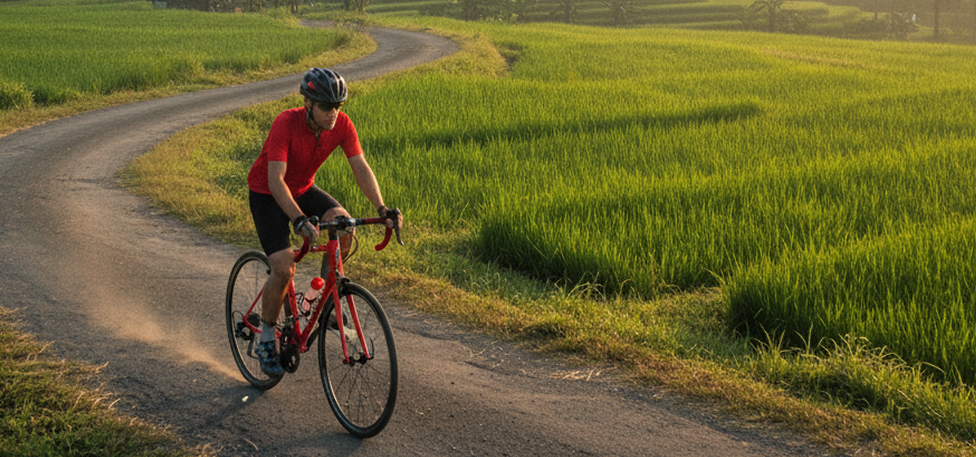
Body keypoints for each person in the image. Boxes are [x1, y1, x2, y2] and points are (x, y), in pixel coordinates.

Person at [246, 67, 402, 377]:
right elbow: (276, 180)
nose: (334, 113)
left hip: (303, 188)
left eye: (338, 106)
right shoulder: (285, 123)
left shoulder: (341, 124)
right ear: (308, 103)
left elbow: (360, 166)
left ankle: (326, 303)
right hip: (267, 194)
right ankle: (265, 335)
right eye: (327, 106)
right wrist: (298, 219)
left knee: (344, 226)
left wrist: (382, 208)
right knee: (284, 265)